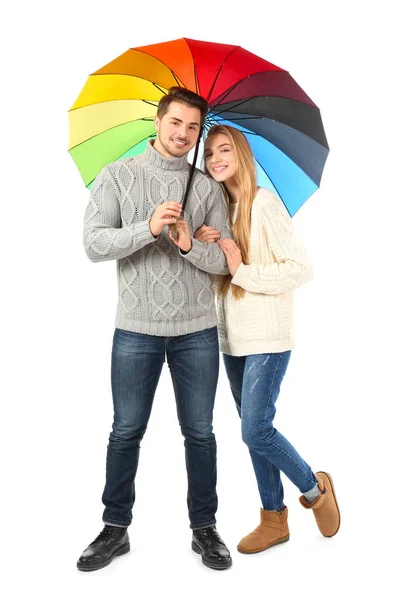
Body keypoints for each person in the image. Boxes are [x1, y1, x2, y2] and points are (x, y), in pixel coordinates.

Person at [77, 88, 233, 572]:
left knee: (201, 432)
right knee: (126, 430)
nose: (183, 134)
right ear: (158, 122)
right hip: (136, 330)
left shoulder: (206, 188)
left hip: (197, 330)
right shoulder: (118, 176)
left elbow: (223, 264)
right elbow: (93, 244)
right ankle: (114, 528)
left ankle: (204, 528)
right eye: (176, 123)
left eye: (193, 127)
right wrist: (147, 228)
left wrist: (188, 244)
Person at [194, 124, 340, 555]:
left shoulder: (265, 204)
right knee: (253, 429)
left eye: (224, 150)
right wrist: (209, 246)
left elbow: (300, 269)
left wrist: (240, 269)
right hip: (232, 340)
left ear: (240, 153)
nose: (215, 159)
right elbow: (221, 277)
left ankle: (315, 490)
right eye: (209, 154)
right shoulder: (220, 209)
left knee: (254, 429)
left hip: (268, 337)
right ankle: (273, 519)